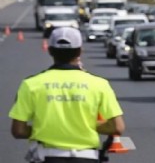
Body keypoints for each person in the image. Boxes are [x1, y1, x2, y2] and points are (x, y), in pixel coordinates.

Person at [9, 27, 125, 163]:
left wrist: (47, 128)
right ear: (80, 51)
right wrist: (84, 125)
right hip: (86, 157)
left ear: (50, 50)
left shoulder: (31, 84)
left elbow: (18, 131)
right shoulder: (99, 84)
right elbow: (117, 127)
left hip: (46, 157)